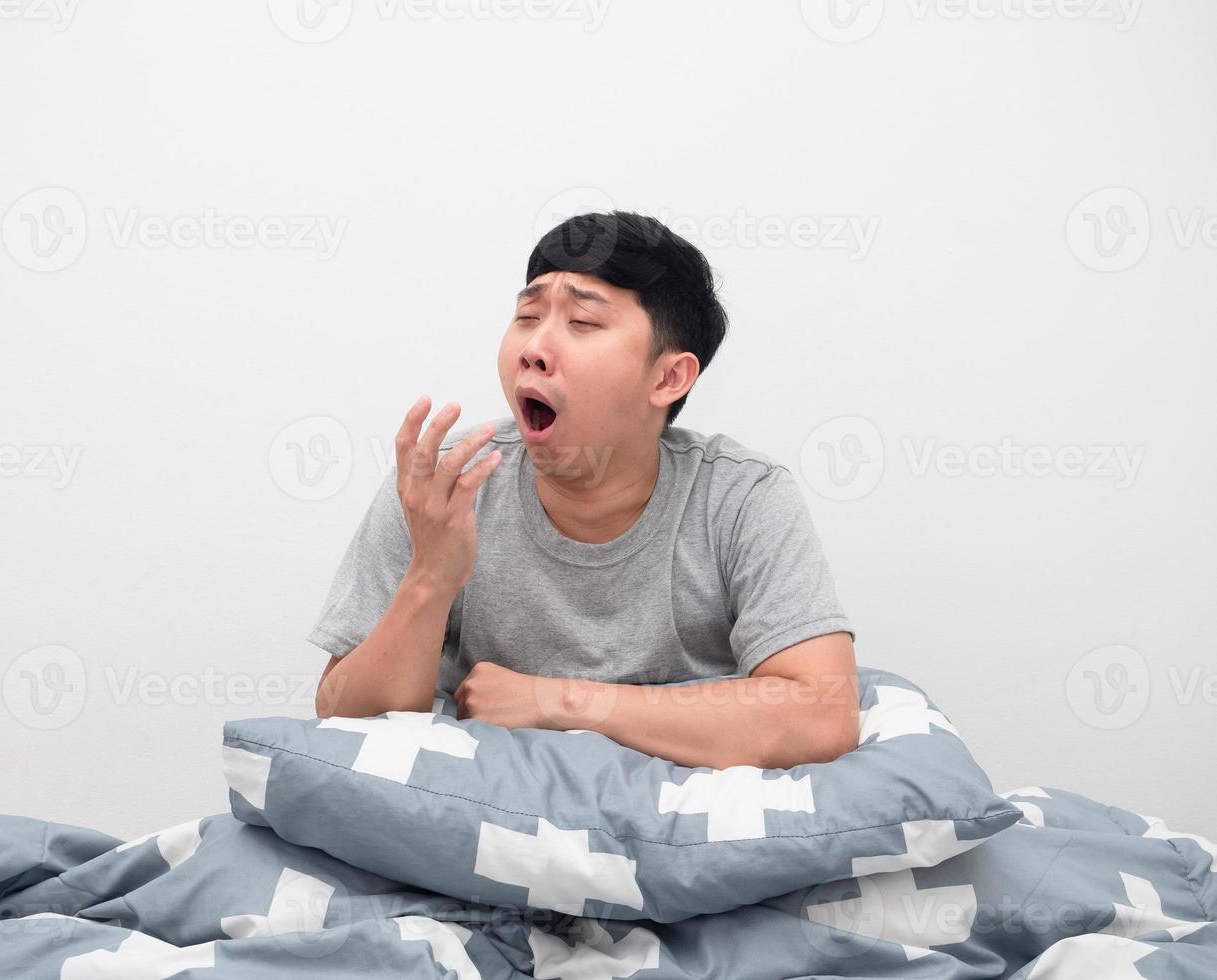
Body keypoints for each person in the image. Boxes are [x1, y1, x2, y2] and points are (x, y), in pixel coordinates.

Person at [310, 211, 859, 770]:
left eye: (583, 323)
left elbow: (823, 714)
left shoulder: (742, 498)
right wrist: (432, 573)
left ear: (669, 378)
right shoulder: (448, 486)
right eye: (527, 316)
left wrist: (561, 701)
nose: (534, 348)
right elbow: (339, 712)